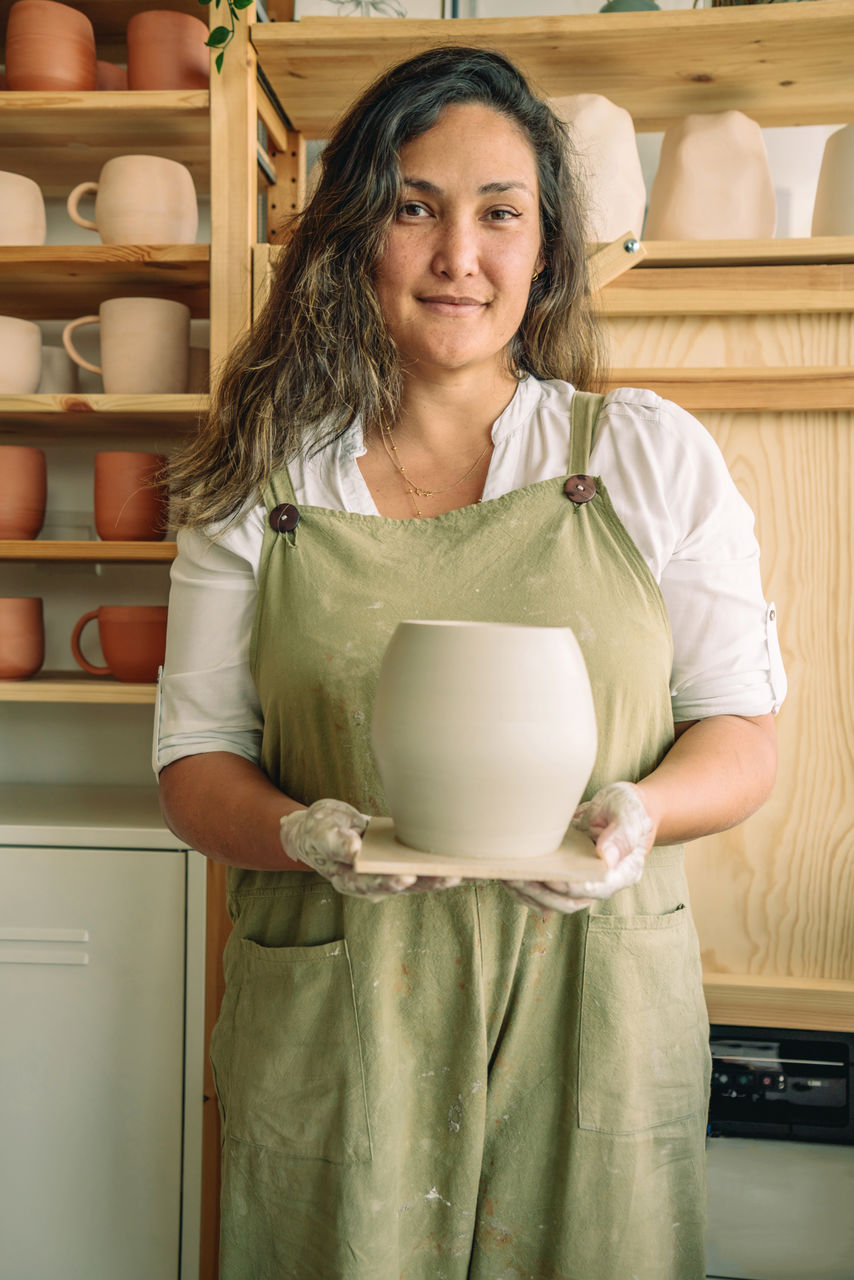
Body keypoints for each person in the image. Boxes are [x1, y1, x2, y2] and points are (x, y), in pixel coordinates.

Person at [155, 45, 786, 1280]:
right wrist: (300, 834)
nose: (459, 254)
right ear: (356, 239)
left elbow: (741, 735)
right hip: (345, 1018)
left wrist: (640, 813)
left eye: (500, 213)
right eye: (413, 207)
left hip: (590, 1001)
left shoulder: (647, 455)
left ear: (543, 247)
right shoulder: (257, 489)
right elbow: (193, 765)